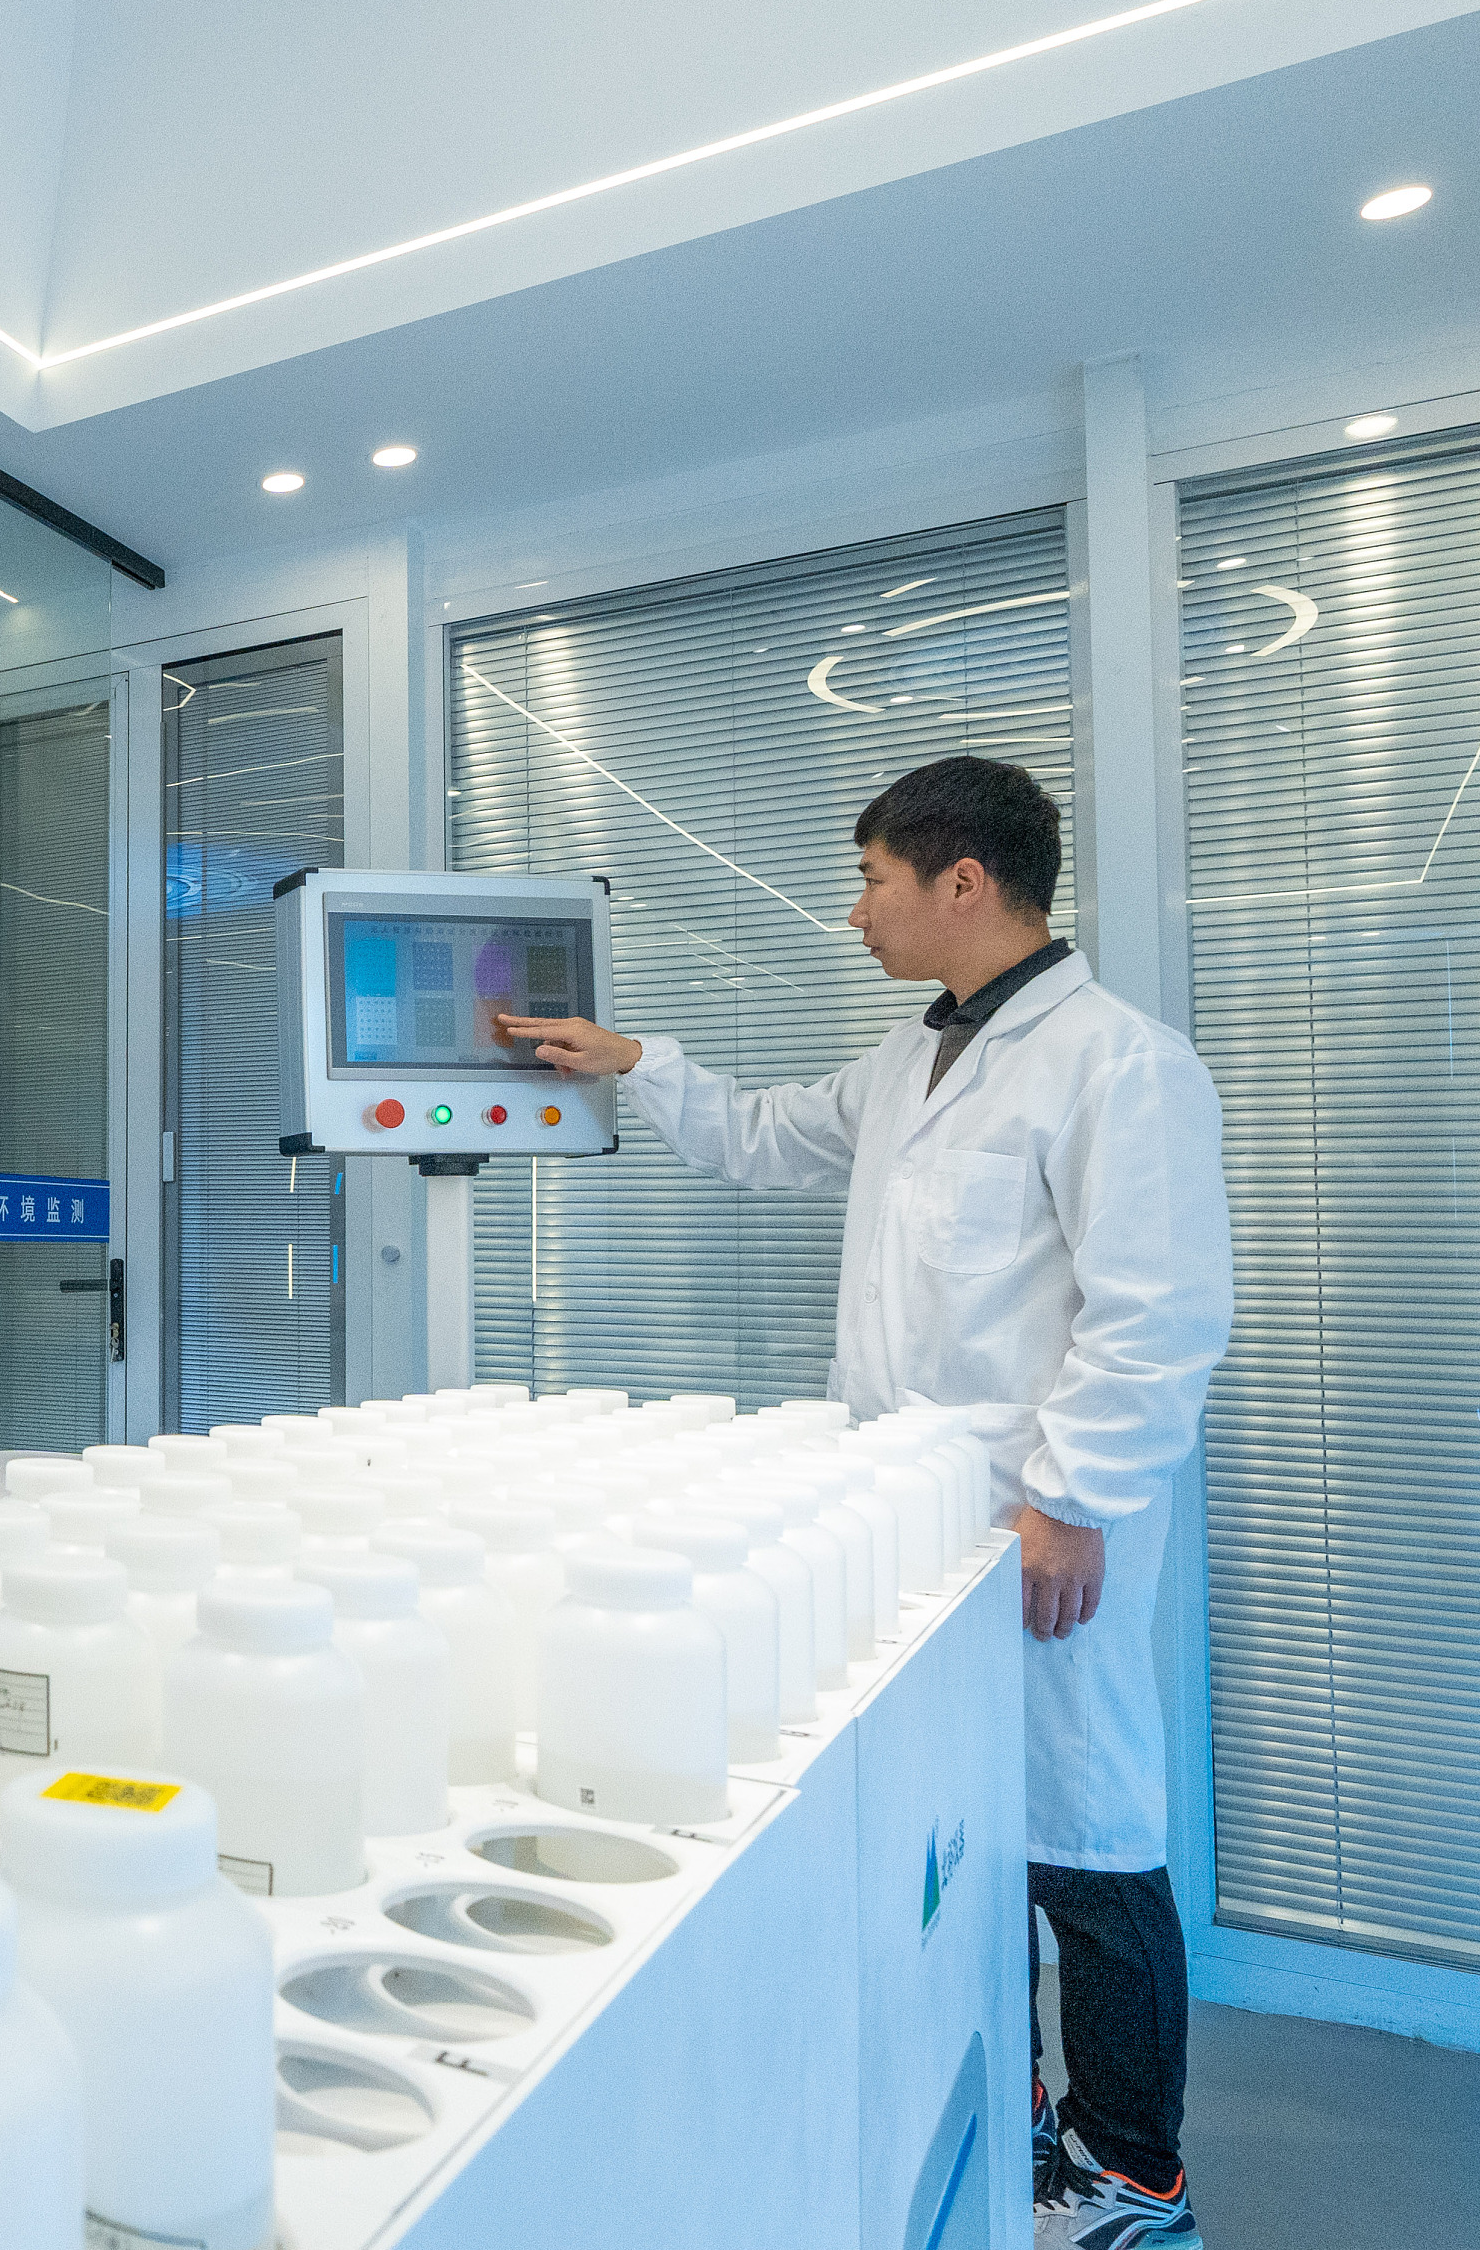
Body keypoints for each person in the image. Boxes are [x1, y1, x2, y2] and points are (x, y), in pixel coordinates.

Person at [499, 755, 1230, 2250]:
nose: (856, 911)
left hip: (1036, 1523)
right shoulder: (914, 1060)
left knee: (1089, 1836)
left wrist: (1075, 1500)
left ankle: (1135, 2177)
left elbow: (1155, 1310)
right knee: (965, 1824)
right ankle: (1033, 2126)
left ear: (964, 882)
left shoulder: (1119, 1062)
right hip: (910, 1517)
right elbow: (772, 1133)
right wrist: (631, 1059)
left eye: (874, 879)